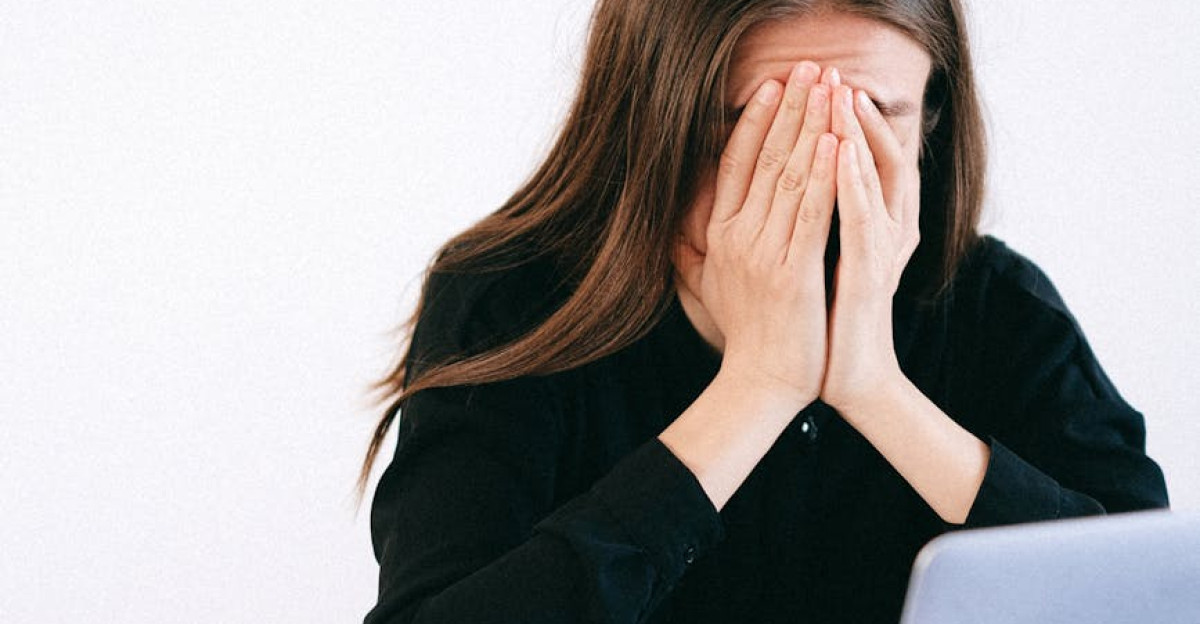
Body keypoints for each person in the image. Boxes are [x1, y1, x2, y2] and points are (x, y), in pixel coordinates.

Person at [360, 1, 1169, 622]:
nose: (811, 170)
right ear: (651, 123)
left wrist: (877, 393)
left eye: (867, 120)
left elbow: (1148, 595)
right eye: (757, 124)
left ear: (929, 122)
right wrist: (755, 390)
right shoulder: (509, 301)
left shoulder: (998, 308)